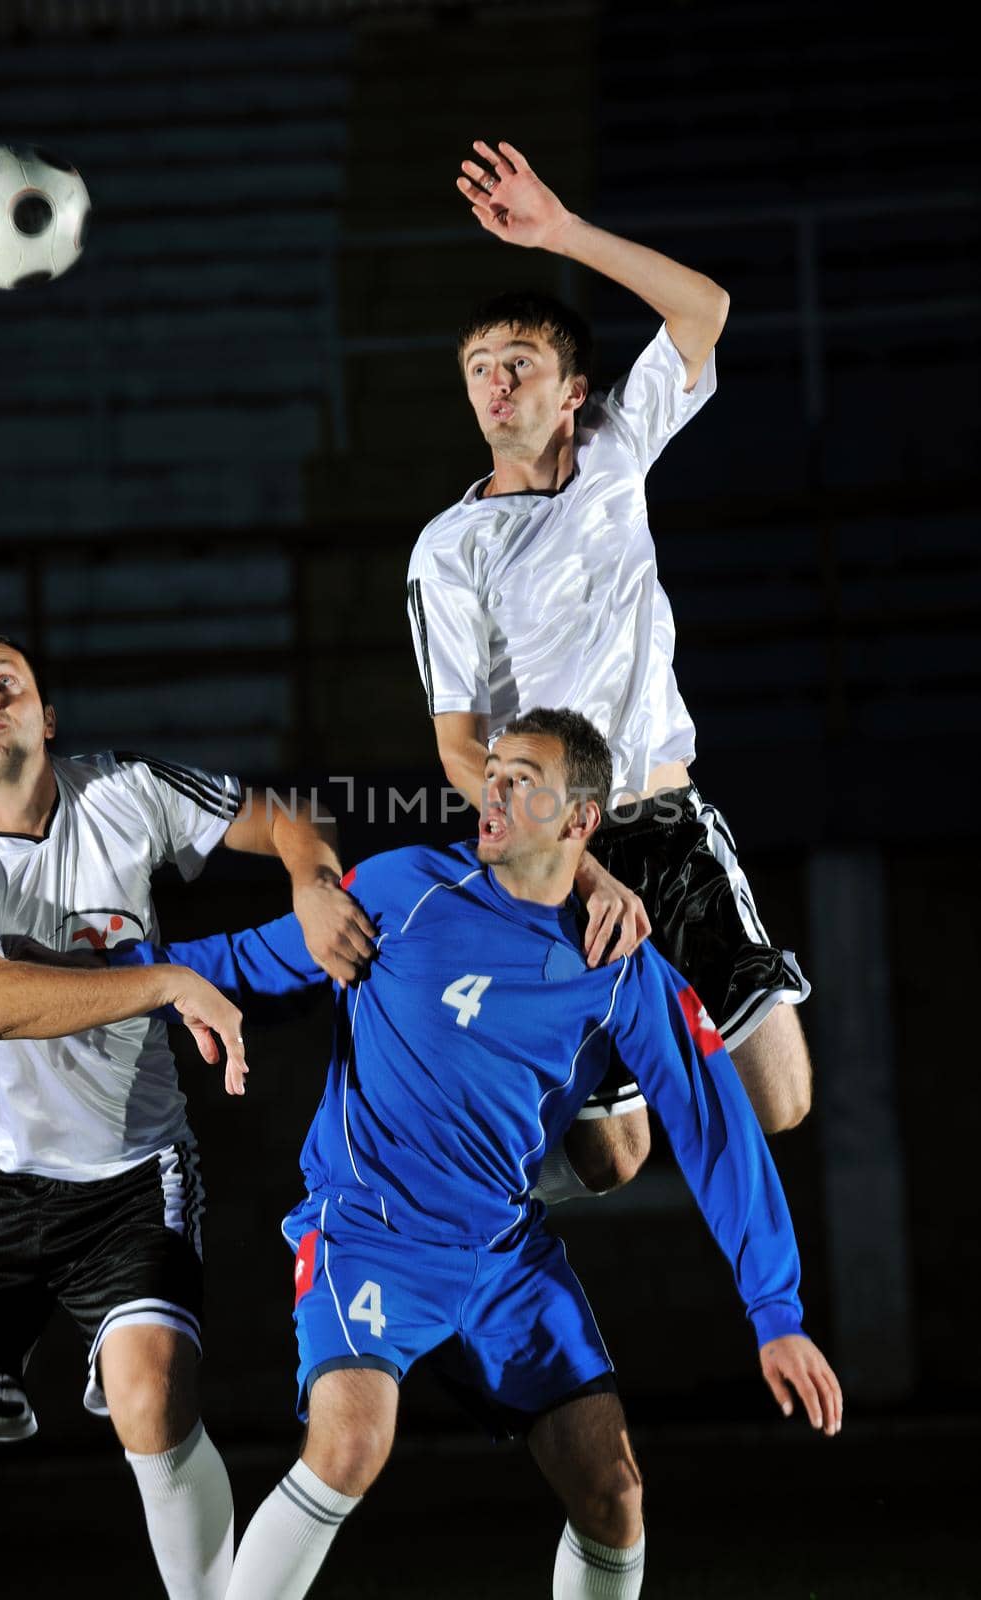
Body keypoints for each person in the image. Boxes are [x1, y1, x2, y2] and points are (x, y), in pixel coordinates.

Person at [106, 706, 842, 1600]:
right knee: (349, 1444)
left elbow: (717, 1132)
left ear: (579, 823)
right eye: (491, 772)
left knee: (612, 1494)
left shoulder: (625, 969)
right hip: (368, 1231)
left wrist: (776, 1312)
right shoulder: (401, 889)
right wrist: (103, 975)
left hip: (501, 1255)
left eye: (521, 778)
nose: (490, 790)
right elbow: (236, 961)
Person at [0, 622, 375, 1600]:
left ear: (47, 712)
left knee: (150, 1399)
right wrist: (167, 979)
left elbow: (285, 815)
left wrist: (309, 879)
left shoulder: (125, 789)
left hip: (130, 1171)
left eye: (7, 680)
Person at [405, 140, 812, 1192]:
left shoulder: (618, 450)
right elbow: (457, 745)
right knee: (610, 1162)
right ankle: (561, 1065)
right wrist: (568, 866)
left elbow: (703, 309)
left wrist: (560, 232)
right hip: (551, 853)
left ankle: (654, 1010)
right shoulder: (448, 547)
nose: (495, 384)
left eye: (519, 365)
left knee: (783, 1100)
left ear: (572, 388)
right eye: (478, 370)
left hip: (664, 822)